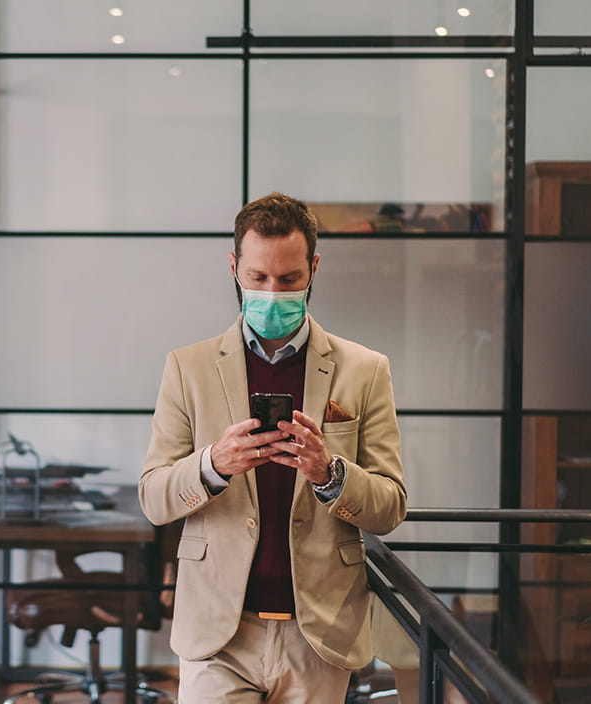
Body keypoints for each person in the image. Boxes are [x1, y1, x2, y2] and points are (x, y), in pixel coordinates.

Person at [139, 192, 406, 703]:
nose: (272, 292)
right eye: (258, 278)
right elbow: (154, 498)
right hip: (219, 633)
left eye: (288, 280)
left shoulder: (365, 370)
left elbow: (391, 505)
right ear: (235, 267)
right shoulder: (187, 368)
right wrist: (213, 466)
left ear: (314, 269)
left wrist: (330, 473)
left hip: (319, 636)